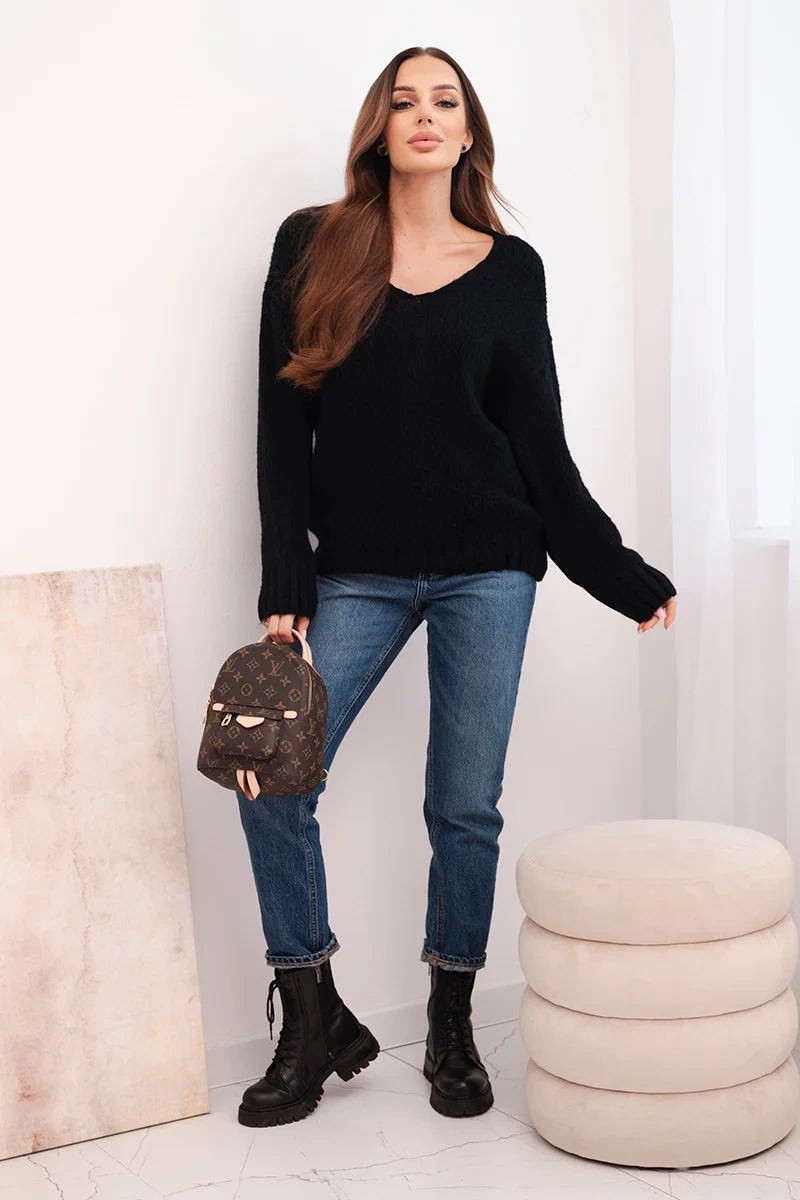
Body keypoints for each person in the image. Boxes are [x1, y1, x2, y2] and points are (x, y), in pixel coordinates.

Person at [235, 45, 678, 1130]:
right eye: (404, 101)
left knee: (463, 805)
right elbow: (281, 424)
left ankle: (448, 1021)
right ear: (379, 129)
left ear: (468, 132)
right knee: (270, 774)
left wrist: (617, 572)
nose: (424, 115)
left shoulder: (510, 268)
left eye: (444, 101)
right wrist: (287, 576)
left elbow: (538, 442)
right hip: (356, 569)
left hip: (488, 567)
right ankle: (311, 1014)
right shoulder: (313, 245)